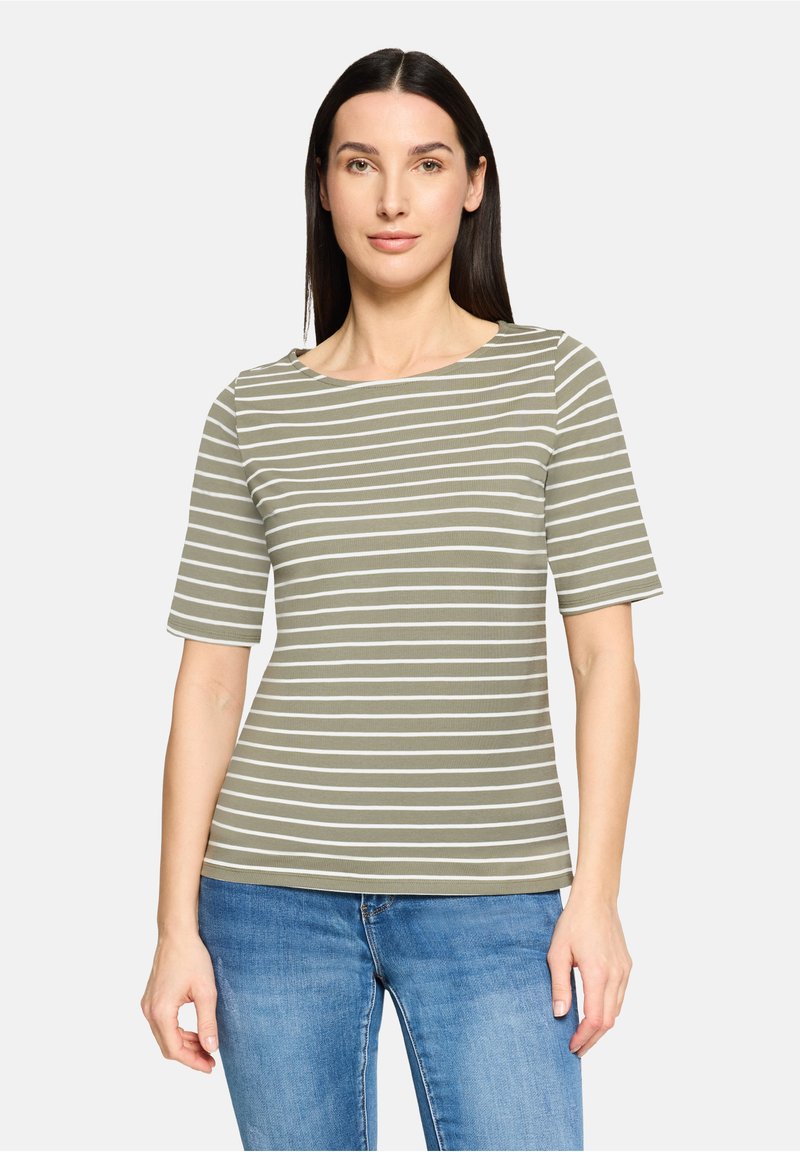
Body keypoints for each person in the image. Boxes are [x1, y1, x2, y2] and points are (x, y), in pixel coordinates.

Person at [141, 46, 664, 1152]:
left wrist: (597, 895)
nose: (391, 198)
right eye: (359, 164)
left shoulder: (554, 379)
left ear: (473, 183)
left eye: (425, 164)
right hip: (268, 895)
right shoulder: (251, 410)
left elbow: (604, 662)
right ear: (322, 186)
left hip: (495, 898)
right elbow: (211, 682)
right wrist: (173, 926)